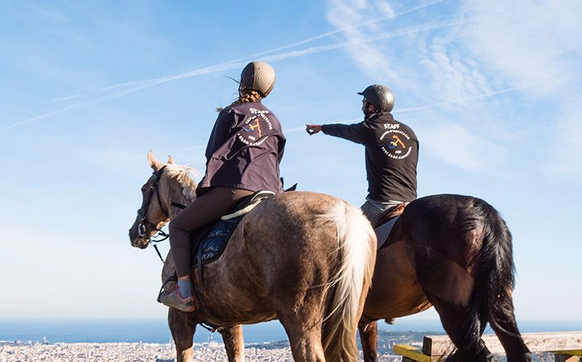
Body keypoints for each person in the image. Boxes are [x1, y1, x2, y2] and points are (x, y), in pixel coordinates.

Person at [160, 61, 286, 312]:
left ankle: (184, 294)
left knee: (178, 225)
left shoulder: (232, 112)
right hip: (269, 191)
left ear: (242, 83)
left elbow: (213, 153)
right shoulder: (274, 120)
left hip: (235, 188)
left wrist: (207, 188)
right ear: (268, 89)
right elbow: (277, 157)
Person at [305, 84, 418, 226]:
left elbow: (344, 130)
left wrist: (321, 128)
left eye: (364, 101)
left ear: (371, 107)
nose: (362, 104)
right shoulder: (409, 132)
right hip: (411, 202)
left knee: (343, 232)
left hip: (381, 204)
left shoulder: (372, 128)